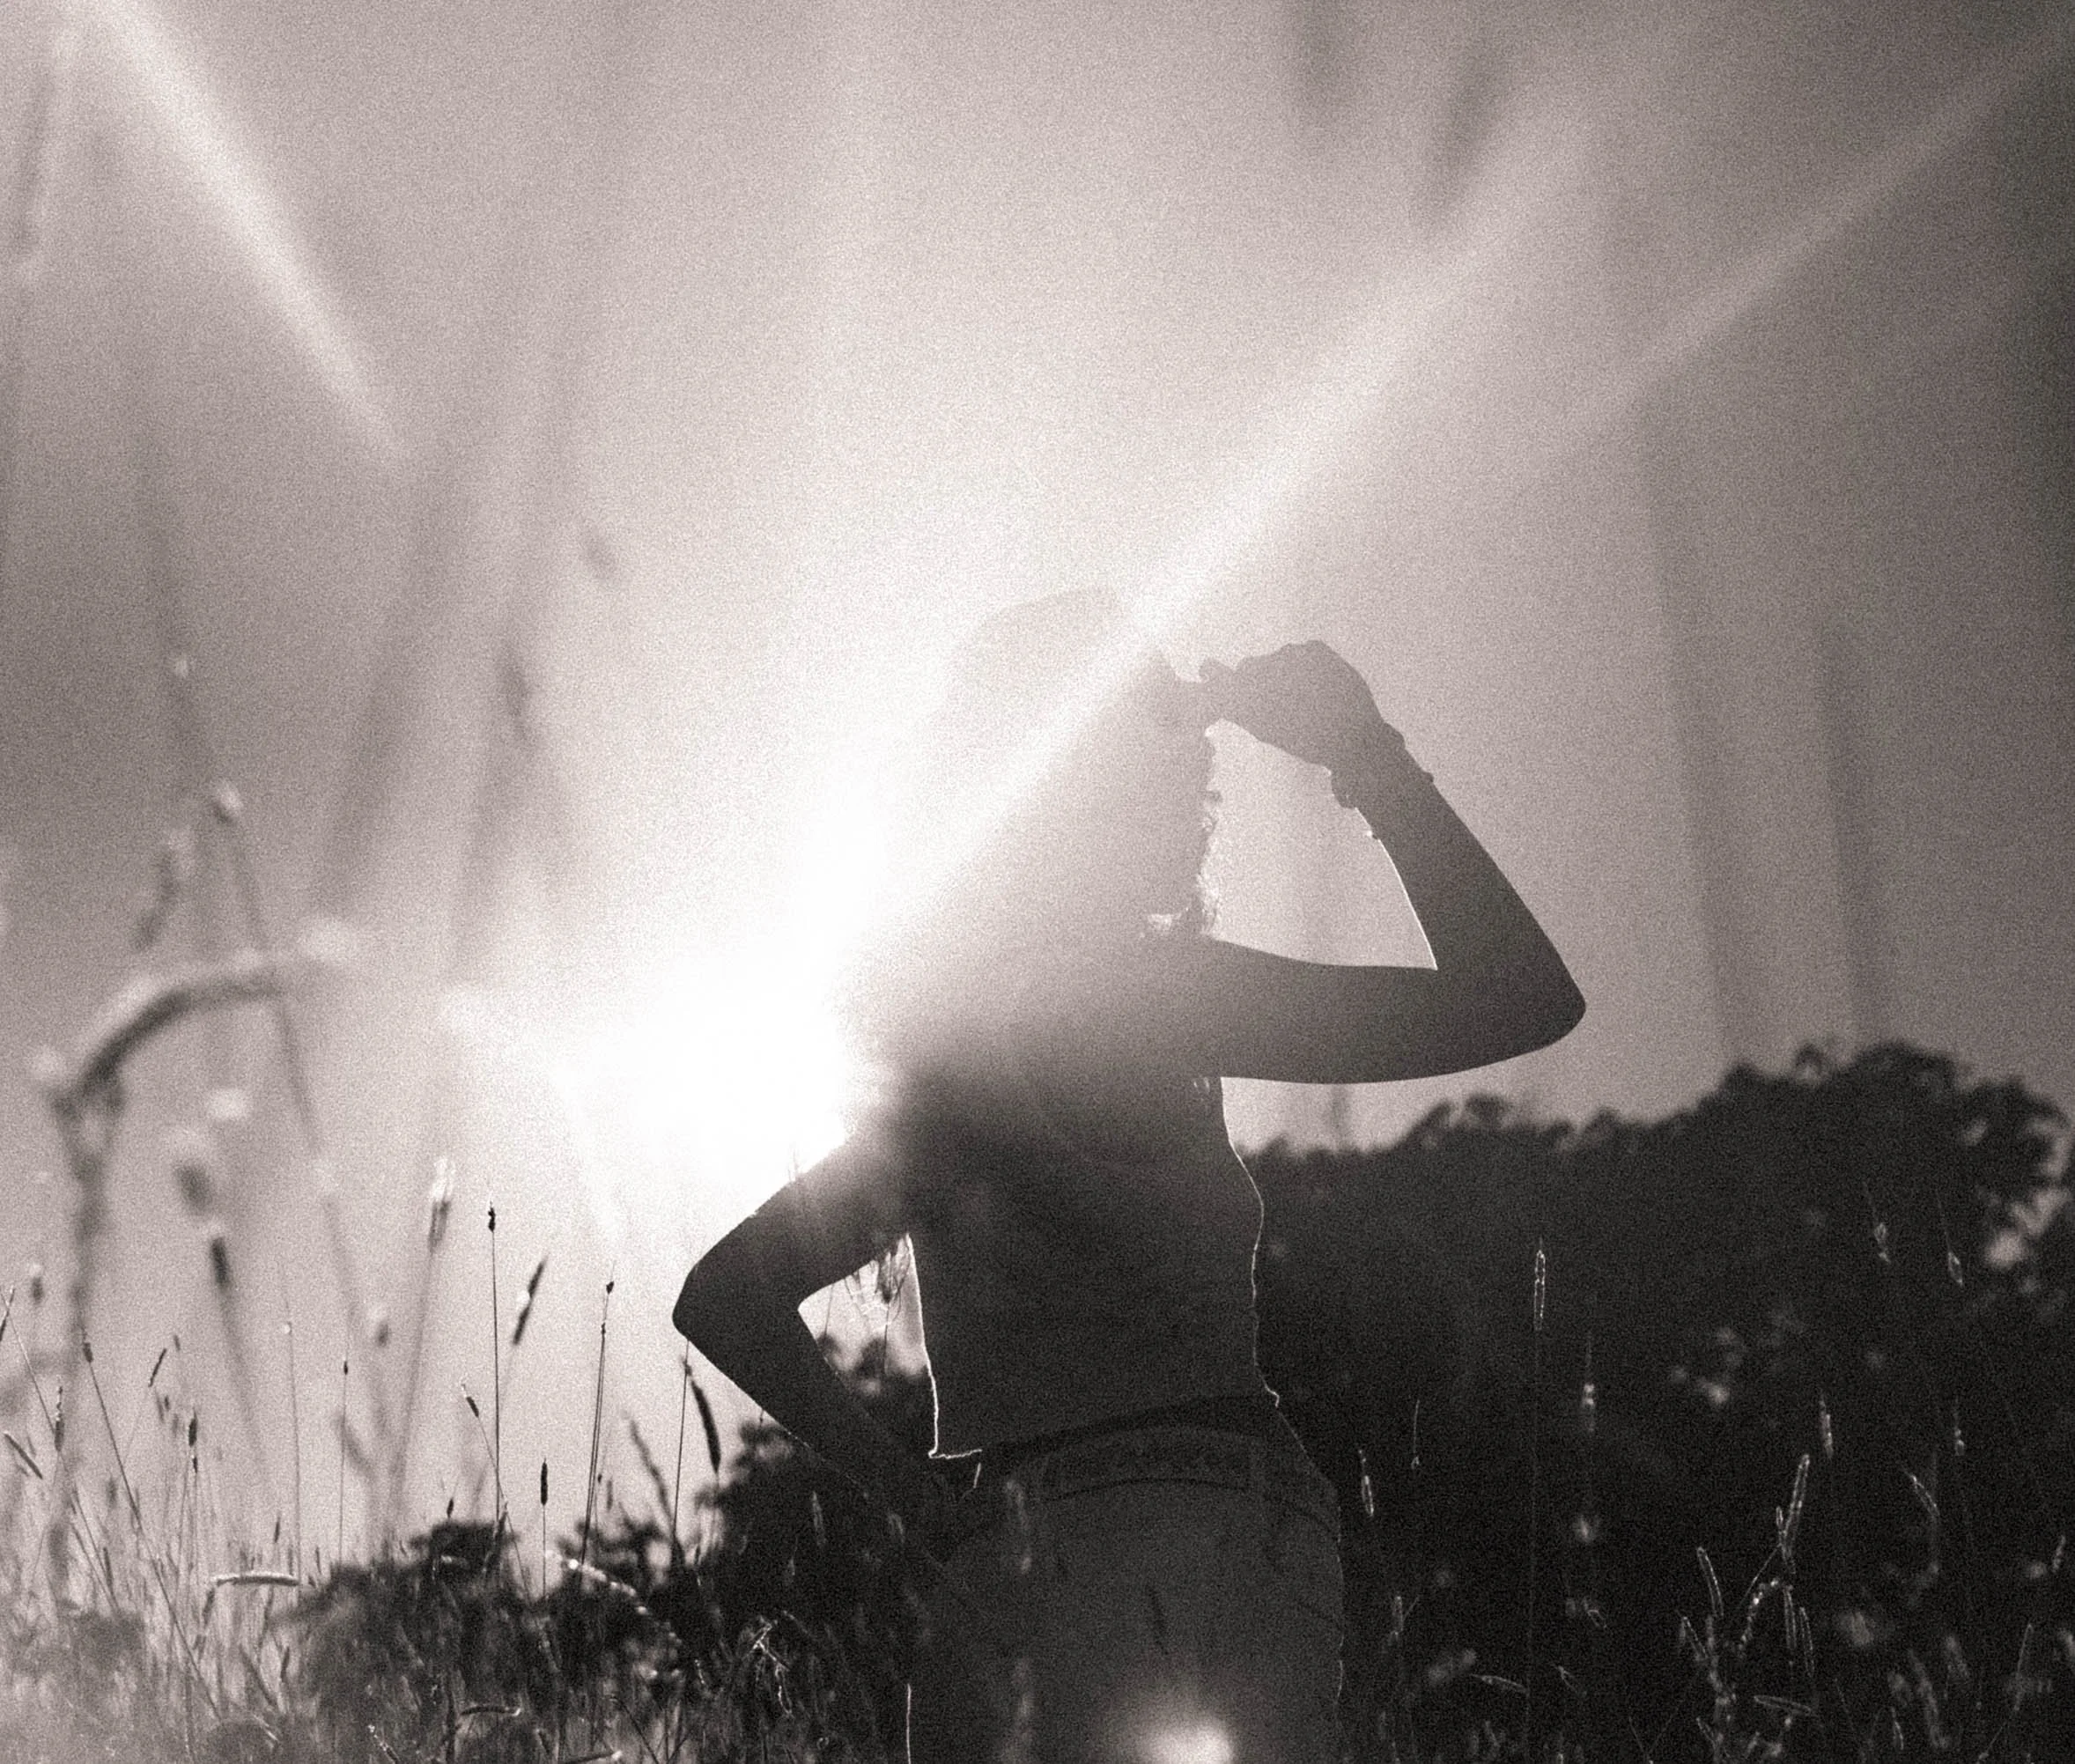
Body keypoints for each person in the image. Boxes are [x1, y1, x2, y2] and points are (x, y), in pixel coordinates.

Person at [674, 592, 1584, 1763]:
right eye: (1163, 732)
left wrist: (918, 1500)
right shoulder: (1149, 994)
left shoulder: (954, 1063)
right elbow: (1519, 996)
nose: (1193, 760)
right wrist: (1368, 754)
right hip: (1221, 1522)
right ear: (1092, 787)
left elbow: (728, 1293)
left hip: (1024, 1537)